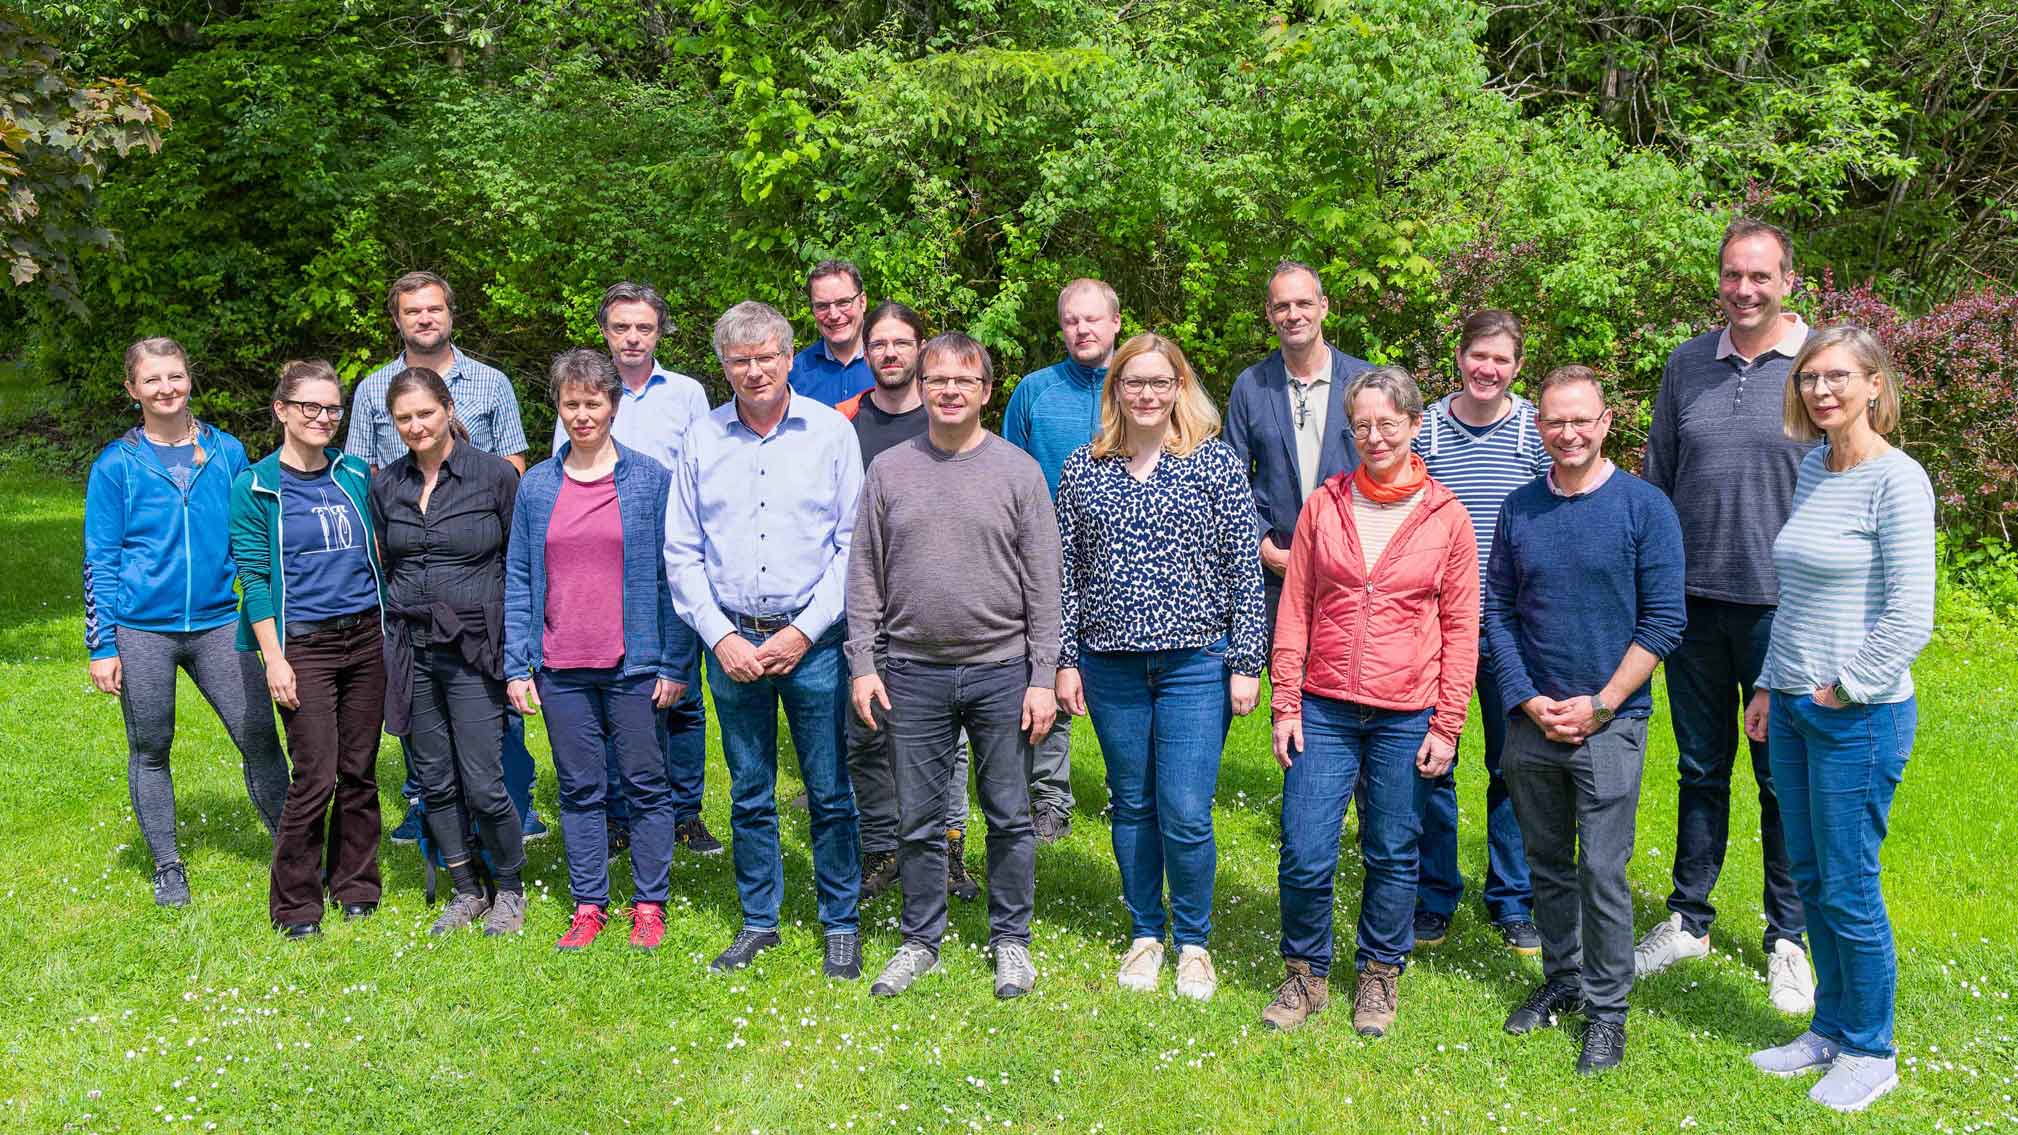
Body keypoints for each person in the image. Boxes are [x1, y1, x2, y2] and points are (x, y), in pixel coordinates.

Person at [1742, 325, 1934, 1113]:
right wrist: (1767, 683)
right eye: (1810, 377)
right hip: (1792, 706)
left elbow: (1911, 613)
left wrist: (1846, 687)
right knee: (1812, 876)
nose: (1821, 390)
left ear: (1875, 384)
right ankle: (1830, 1027)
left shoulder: (1899, 480)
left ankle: (1872, 1050)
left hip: (1858, 715)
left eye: (1838, 377)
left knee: (1850, 884)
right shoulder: (1815, 467)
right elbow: (1794, 597)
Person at [1262, 366, 1479, 1037]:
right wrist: (1285, 702)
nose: (1375, 436)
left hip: (1406, 711)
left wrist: (1448, 723)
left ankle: (1380, 972)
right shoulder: (1324, 505)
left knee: (1391, 849)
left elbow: (1462, 628)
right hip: (1323, 705)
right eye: (1362, 426)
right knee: (1304, 849)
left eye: (1388, 423)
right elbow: (1295, 608)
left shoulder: (1447, 516)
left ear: (1414, 424)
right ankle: (1305, 972)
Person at [1636, 218, 1816, 1013]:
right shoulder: (1686, 365)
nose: (1745, 289)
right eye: (1733, 275)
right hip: (1694, 605)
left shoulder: (1816, 366)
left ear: (1788, 281)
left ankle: (1789, 936)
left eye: (1760, 276)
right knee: (1700, 768)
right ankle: (1689, 918)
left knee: (1783, 777)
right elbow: (1658, 483)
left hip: (1786, 609)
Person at [1054, 332, 1266, 1003]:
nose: (1147, 394)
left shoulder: (1214, 464)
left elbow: (1244, 568)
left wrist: (1247, 660)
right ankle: (1146, 932)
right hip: (1110, 664)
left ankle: (1194, 942)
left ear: (1179, 388)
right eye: (1134, 382)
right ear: (1115, 389)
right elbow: (1065, 574)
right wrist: (1064, 659)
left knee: (1186, 809)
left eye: (1159, 382)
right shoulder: (1083, 468)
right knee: (1133, 802)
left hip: (1195, 662)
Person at [849, 332, 1061, 1000]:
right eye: (936, 379)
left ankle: (1012, 940)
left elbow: (1045, 584)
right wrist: (862, 662)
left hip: (1002, 670)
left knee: (1008, 814)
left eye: (963, 381)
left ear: (986, 391)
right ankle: (920, 940)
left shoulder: (1018, 472)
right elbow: (863, 572)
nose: (948, 391)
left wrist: (1043, 677)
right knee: (916, 817)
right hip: (912, 670)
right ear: (921, 386)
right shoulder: (890, 470)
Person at [1487, 365, 1686, 1074]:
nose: (1567, 432)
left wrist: (1602, 702)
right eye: (1554, 420)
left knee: (1602, 869)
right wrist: (1525, 698)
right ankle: (1564, 978)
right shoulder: (1519, 509)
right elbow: (1497, 611)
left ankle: (1607, 1011)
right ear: (1537, 426)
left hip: (1612, 721)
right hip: (1532, 720)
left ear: (1605, 423)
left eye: (1581, 420)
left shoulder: (1645, 508)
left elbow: (1664, 620)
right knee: (1546, 863)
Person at [666, 301, 864, 979]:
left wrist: (804, 632)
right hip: (733, 642)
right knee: (749, 790)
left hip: (814, 642)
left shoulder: (830, 434)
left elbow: (853, 546)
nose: (754, 371)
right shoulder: (702, 439)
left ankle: (841, 922)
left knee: (830, 791)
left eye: (766, 357)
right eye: (739, 360)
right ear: (723, 366)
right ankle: (759, 921)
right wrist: (719, 636)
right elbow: (681, 550)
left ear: (788, 356)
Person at [84, 338, 288, 907]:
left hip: (221, 621)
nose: (165, 388)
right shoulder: (116, 465)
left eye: (174, 376)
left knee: (258, 736)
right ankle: (168, 866)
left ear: (189, 379)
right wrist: (102, 645)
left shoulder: (225, 451)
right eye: (151, 380)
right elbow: (100, 558)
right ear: (132, 390)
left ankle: (294, 849)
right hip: (142, 628)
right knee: (151, 745)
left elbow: (253, 534)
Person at [343, 270, 544, 845]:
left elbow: (513, 467)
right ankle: (425, 803)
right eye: (412, 311)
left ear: (450, 313)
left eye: (434, 308)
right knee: (418, 691)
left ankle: (513, 801)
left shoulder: (491, 383)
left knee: (492, 699)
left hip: (476, 558)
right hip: (409, 553)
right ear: (398, 320)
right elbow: (364, 473)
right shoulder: (373, 390)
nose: (424, 318)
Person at [511, 350, 693, 950]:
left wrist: (674, 662)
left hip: (634, 665)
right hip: (560, 665)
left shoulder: (650, 481)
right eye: (572, 404)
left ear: (613, 405)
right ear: (558, 409)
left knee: (646, 786)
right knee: (580, 789)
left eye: (593, 402)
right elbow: (519, 577)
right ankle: (589, 904)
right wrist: (517, 665)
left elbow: (673, 578)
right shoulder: (537, 486)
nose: (582, 414)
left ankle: (649, 904)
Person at [549, 282, 720, 860]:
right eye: (621, 327)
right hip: (605, 564)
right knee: (619, 693)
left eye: (643, 327)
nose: (632, 338)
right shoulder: (585, 393)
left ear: (659, 332)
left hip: (676, 556)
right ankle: (620, 813)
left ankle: (685, 812)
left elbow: (705, 469)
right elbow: (563, 473)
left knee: (682, 693)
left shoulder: (688, 394)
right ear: (605, 332)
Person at [229, 359, 388, 939]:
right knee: (316, 774)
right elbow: (254, 577)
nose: (323, 417)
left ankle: (356, 885)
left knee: (359, 770)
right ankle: (296, 904)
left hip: (366, 637)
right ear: (281, 410)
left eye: (332, 408)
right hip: (304, 645)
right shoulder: (255, 486)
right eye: (310, 407)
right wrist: (274, 658)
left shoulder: (355, 473)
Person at [1411, 310, 1553, 955]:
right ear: (1459, 356)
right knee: (1430, 761)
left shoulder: (1533, 431)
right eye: (1478, 355)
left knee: (1513, 765)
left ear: (1517, 367)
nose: (1487, 369)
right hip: (1433, 623)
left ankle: (1513, 898)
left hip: (1509, 625)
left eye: (1501, 359)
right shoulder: (1427, 430)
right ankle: (1433, 894)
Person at [368, 366, 527, 937]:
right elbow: (387, 562)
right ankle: (465, 889)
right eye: (403, 418)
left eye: (425, 413)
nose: (416, 426)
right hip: (411, 647)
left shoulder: (495, 476)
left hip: (475, 648)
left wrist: (520, 650)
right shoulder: (387, 485)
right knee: (433, 779)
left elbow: (519, 564)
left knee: (483, 779)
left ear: (448, 408)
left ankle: (509, 888)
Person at [831, 301, 979, 903]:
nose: (889, 353)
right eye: (878, 344)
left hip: (943, 607)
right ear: (864, 352)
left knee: (950, 741)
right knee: (867, 733)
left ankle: (947, 848)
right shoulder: (842, 422)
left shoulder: (947, 413)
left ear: (920, 349)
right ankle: (881, 847)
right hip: (868, 602)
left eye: (900, 342)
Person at [1002, 277, 1123, 845]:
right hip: (1047, 559)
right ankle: (1050, 797)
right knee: (1048, 667)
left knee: (1127, 677)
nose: (1082, 329)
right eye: (1072, 320)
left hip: (1126, 561)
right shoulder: (1035, 391)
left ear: (1115, 322)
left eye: (1092, 319)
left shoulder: (1139, 385)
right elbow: (1007, 474)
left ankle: (1130, 792)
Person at [1224, 260, 1367, 648]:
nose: (1293, 315)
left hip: (1354, 572)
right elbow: (1230, 484)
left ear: (1324, 306)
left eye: (1303, 303)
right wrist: (1262, 546)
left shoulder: (1364, 382)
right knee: (1286, 680)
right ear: (1269, 313)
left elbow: (1388, 471)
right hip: (1277, 572)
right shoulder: (1251, 386)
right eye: (1282, 306)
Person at [788, 259, 873, 406]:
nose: (834, 315)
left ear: (862, 302)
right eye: (822, 306)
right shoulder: (795, 374)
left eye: (843, 302)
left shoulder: (891, 362)